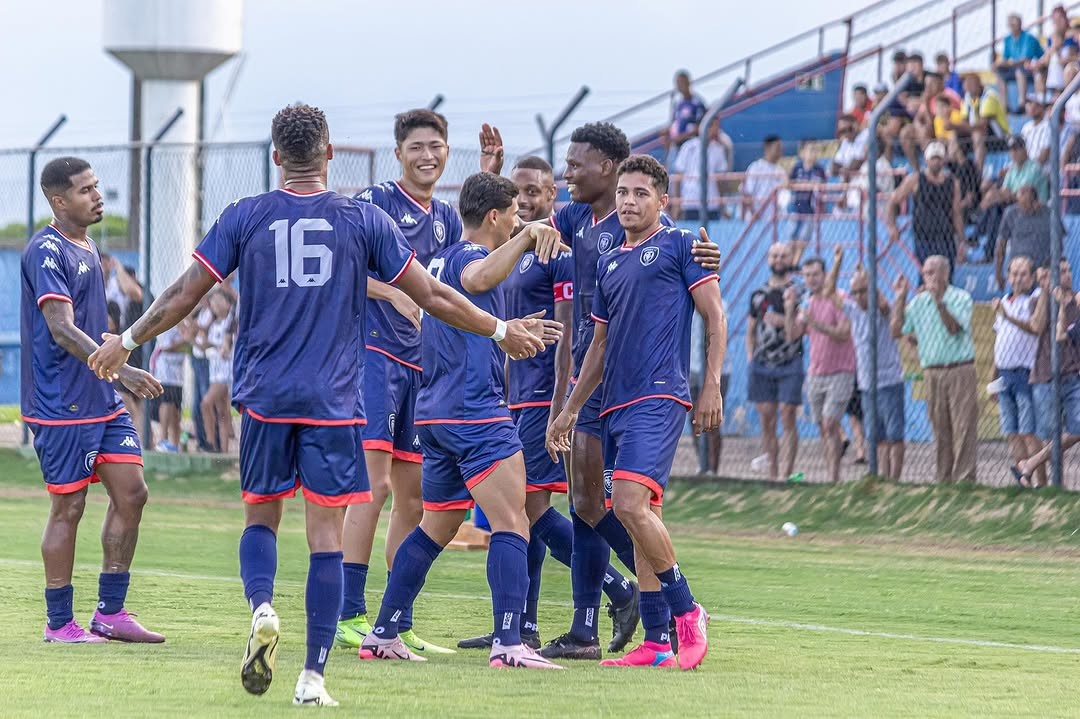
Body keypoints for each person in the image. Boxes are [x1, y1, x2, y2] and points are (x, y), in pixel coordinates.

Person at [87, 104, 556, 706]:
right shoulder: (362, 220)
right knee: (325, 534)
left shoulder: (246, 215)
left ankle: (262, 607)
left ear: (276, 156)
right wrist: (498, 330)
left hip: (263, 397)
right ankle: (312, 677)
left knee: (260, 518)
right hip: (335, 398)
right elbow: (436, 295)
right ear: (330, 153)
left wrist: (124, 341)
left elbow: (183, 292)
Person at [358, 172, 566, 670]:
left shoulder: (439, 257)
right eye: (514, 214)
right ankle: (510, 643)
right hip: (475, 412)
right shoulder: (469, 259)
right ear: (495, 217)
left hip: (435, 415)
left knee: (437, 525)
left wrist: (513, 330)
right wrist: (525, 237)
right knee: (512, 521)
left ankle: (384, 632)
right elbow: (478, 279)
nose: (520, 221)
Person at [533, 122, 721, 660]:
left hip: (657, 394)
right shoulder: (598, 244)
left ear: (661, 199)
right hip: (606, 397)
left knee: (631, 504)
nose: (630, 201)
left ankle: (684, 610)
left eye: (641, 193)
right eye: (625, 194)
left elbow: (713, 311)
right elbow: (596, 342)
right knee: (615, 506)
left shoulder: (679, 243)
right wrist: (568, 408)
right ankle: (656, 638)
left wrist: (710, 384)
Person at [458, 156, 634, 651]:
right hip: (511, 396)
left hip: (541, 398)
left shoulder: (558, 254)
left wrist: (560, 405)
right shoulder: (516, 250)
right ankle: (521, 625)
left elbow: (565, 337)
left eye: (536, 192)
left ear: (552, 196)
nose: (528, 201)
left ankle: (620, 589)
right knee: (517, 511)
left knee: (531, 509)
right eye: (520, 193)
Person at [22, 157, 165, 645]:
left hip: (99, 397)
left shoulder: (89, 247)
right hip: (61, 402)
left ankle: (110, 613)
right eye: (85, 190)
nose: (97, 196)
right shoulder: (45, 250)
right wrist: (120, 367)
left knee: (133, 493)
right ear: (59, 201)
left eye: (97, 186)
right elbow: (61, 329)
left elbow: (89, 326)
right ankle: (60, 623)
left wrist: (116, 356)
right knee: (70, 507)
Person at [336, 109, 462, 656]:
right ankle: (348, 613)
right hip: (375, 358)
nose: (427, 155)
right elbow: (343, 268)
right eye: (416, 146)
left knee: (415, 497)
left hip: (424, 367)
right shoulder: (374, 204)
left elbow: (460, 284)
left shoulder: (449, 221)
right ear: (398, 153)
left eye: (435, 145)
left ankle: (395, 619)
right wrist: (393, 292)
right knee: (373, 484)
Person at [890, 256, 977, 484]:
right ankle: (943, 479)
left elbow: (954, 328)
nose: (926, 277)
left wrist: (939, 302)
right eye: (925, 273)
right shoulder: (919, 302)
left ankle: (965, 479)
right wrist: (900, 298)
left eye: (931, 272)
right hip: (932, 371)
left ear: (945, 274)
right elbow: (896, 330)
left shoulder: (960, 297)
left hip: (959, 369)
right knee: (940, 428)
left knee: (964, 426)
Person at [785, 252, 856, 484]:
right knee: (823, 428)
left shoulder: (839, 298)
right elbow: (793, 335)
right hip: (816, 372)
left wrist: (813, 322)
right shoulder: (807, 302)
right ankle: (831, 475)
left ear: (825, 275)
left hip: (841, 371)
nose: (812, 279)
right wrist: (789, 310)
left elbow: (844, 333)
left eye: (816, 274)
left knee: (830, 423)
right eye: (807, 275)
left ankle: (835, 477)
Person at [834, 260, 906, 480]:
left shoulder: (882, 307)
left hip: (889, 381)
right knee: (877, 438)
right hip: (867, 384)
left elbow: (892, 321)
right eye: (854, 292)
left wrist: (899, 296)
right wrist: (838, 264)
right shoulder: (853, 310)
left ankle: (894, 479)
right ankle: (882, 478)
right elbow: (830, 294)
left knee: (895, 436)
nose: (857, 297)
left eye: (862, 292)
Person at [1015, 268, 1080, 484]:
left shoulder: (1076, 304)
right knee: (1050, 435)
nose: (1067, 276)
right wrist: (1054, 299)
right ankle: (1048, 486)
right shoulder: (1039, 301)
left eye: (1068, 271)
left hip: (1073, 377)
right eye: (1061, 272)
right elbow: (1049, 331)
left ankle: (1031, 465)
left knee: (1074, 430)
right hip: (1047, 376)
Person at [747, 243, 804, 482]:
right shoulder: (758, 294)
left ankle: (787, 474)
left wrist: (786, 315)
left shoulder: (799, 292)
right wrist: (751, 359)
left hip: (790, 362)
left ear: (790, 259)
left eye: (783, 255)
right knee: (767, 418)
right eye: (774, 255)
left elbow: (798, 329)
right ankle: (772, 475)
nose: (779, 259)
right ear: (768, 259)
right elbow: (751, 329)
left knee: (787, 414)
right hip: (762, 364)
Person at [989, 257, 1043, 487]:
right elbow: (998, 342)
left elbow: (1033, 328)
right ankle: (1024, 480)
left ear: (1031, 278)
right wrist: (993, 379)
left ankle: (1042, 481)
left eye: (1023, 274)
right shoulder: (1003, 302)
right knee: (1011, 431)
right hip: (1004, 373)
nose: (1019, 278)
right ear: (1008, 277)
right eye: (1014, 274)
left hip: (1024, 373)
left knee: (1028, 431)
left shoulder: (1034, 299)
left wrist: (1007, 316)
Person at [886, 141, 966, 274]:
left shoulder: (952, 183)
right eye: (933, 158)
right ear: (927, 160)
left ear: (943, 160)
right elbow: (893, 200)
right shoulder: (916, 179)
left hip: (945, 237)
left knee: (946, 275)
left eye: (938, 158)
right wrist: (892, 226)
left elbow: (956, 212)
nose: (936, 162)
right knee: (926, 275)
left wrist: (961, 239)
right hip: (923, 237)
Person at [995, 183, 1058, 287]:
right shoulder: (1011, 214)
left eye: (1025, 204)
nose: (1021, 207)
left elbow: (1060, 242)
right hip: (1017, 272)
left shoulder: (1049, 214)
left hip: (1042, 272)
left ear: (1035, 202)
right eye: (1019, 203)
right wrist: (998, 273)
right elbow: (1001, 244)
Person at [671, 115, 731, 221]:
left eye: (717, 126)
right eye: (712, 126)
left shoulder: (718, 149)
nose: (715, 129)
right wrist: (677, 203)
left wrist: (722, 206)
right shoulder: (688, 147)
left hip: (711, 203)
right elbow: (678, 177)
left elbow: (720, 180)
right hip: (690, 201)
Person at [148, 316, 191, 453]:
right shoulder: (170, 319)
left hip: (177, 372)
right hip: (165, 371)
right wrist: (184, 343)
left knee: (176, 408)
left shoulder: (184, 320)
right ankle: (163, 440)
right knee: (166, 402)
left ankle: (175, 444)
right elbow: (167, 346)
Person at [994, 13, 1043, 110]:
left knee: (1019, 71)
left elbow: (1026, 59)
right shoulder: (1008, 39)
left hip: (1036, 68)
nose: (1012, 27)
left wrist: (1009, 63)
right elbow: (1005, 59)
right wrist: (998, 65)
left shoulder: (1028, 38)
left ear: (1020, 25)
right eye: (1011, 25)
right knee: (1000, 72)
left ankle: (1022, 103)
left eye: (1014, 24)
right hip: (1018, 67)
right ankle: (1004, 106)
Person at [787, 140, 826, 264]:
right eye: (810, 150)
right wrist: (804, 185)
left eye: (815, 150)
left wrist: (806, 185)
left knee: (804, 237)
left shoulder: (819, 170)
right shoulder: (797, 167)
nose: (813, 154)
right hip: (796, 206)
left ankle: (796, 262)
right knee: (792, 236)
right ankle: (789, 260)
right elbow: (788, 183)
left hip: (810, 208)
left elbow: (822, 186)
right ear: (802, 153)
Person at [741, 135, 786, 220]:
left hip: (773, 221)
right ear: (767, 148)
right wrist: (754, 213)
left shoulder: (780, 171)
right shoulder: (755, 167)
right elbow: (747, 192)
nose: (780, 151)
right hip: (755, 220)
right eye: (777, 148)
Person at [667, 70, 708, 154]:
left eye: (681, 82)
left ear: (688, 83)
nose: (679, 85)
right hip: (676, 146)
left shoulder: (697, 102)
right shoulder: (678, 103)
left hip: (691, 146)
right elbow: (674, 123)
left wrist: (682, 137)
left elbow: (701, 127)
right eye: (677, 82)